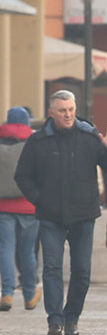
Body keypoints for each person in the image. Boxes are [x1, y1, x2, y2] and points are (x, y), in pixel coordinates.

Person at [14, 90, 107, 335]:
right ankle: (54, 320)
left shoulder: (89, 136)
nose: (68, 115)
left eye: (71, 109)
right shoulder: (38, 141)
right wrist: (41, 199)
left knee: (82, 270)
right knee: (51, 268)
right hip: (51, 216)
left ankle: (72, 317)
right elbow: (22, 176)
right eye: (62, 111)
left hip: (84, 214)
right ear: (51, 113)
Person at [0, 107, 40, 311]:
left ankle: (7, 293)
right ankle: (30, 294)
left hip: (3, 206)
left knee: (6, 249)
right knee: (27, 252)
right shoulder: (34, 143)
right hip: (29, 206)